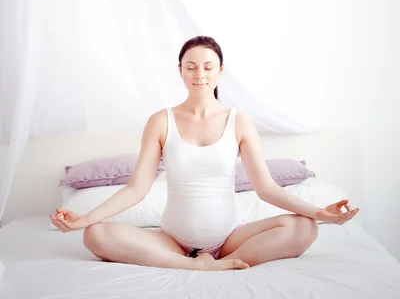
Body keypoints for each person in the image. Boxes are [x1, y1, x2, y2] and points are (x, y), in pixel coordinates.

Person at [50, 35, 360, 271]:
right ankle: (193, 265)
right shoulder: (161, 121)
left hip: (229, 240)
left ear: (220, 71)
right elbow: (136, 189)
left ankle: (228, 261)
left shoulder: (239, 122)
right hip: (171, 240)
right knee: (95, 236)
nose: (200, 74)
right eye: (191, 66)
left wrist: (319, 214)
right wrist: (84, 219)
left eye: (208, 66)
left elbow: (266, 189)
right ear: (181, 71)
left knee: (304, 227)